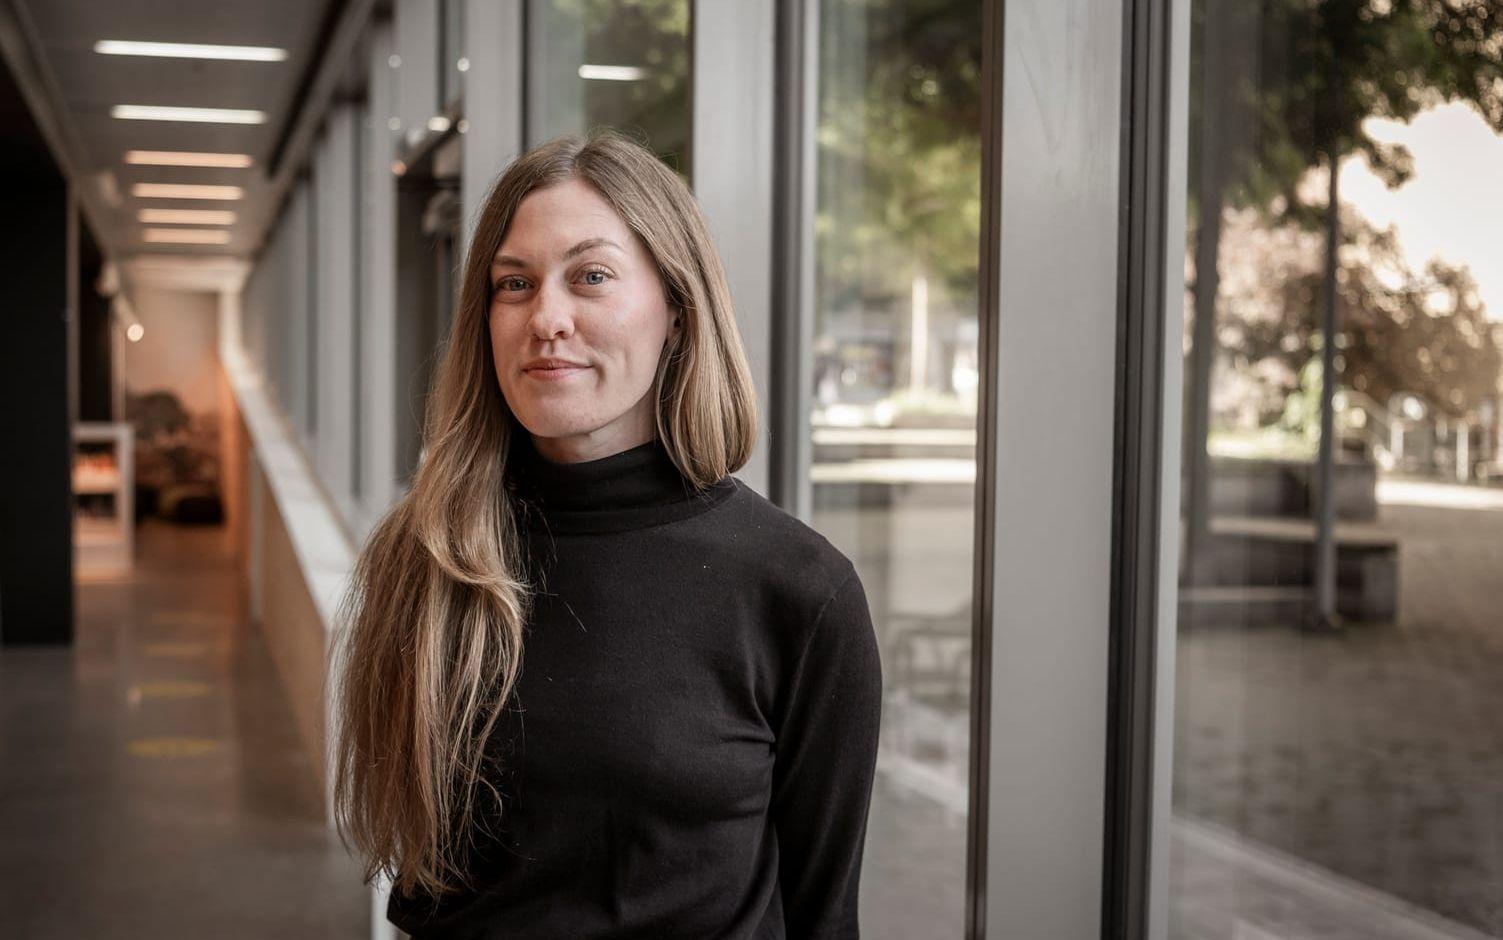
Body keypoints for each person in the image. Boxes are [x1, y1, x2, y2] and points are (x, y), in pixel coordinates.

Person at [333, 131, 883, 939]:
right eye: (513, 284)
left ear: (677, 312)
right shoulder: (427, 558)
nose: (545, 318)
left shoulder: (797, 588)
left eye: (590, 277)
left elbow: (823, 915)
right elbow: (426, 893)